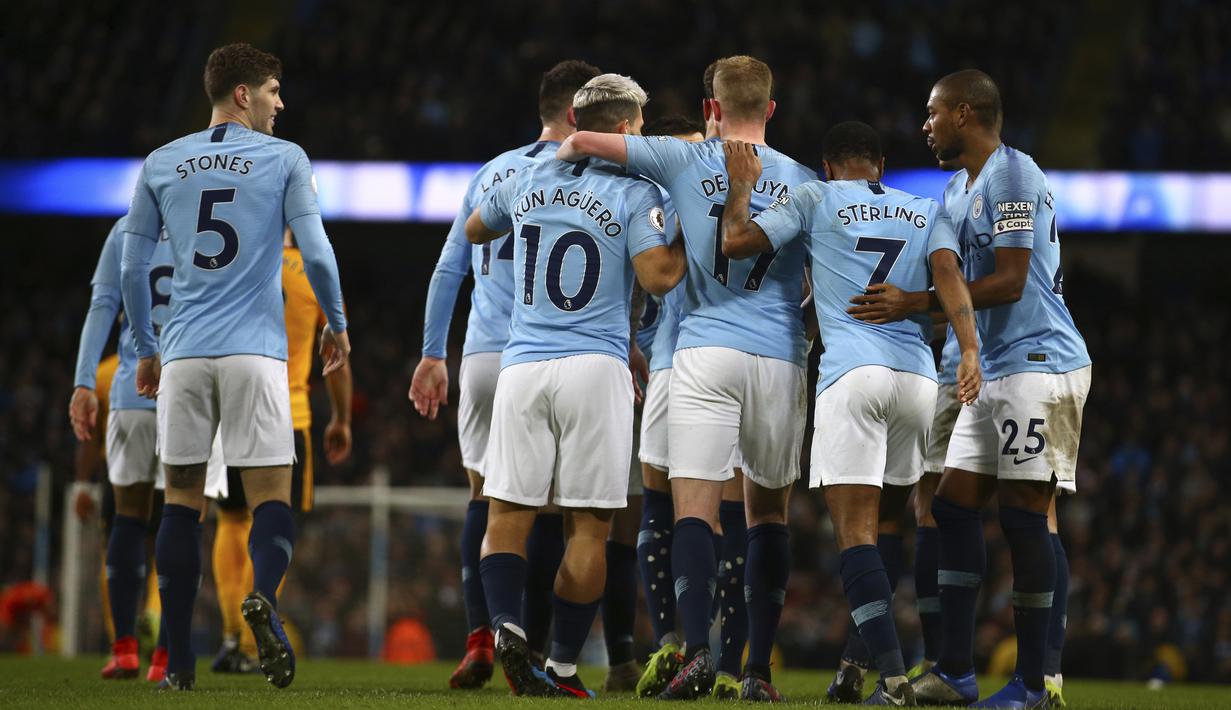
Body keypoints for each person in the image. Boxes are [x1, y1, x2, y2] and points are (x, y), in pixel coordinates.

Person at [557, 55, 814, 701]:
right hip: (780, 357)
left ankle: (693, 650)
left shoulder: (680, 159)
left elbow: (583, 140)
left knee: (692, 510)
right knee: (766, 515)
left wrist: (568, 149)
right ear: (771, 109)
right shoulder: (805, 182)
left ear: (710, 109)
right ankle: (754, 671)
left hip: (701, 352)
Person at [848, 69, 1091, 708]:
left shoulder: (1014, 176)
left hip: (1040, 363)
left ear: (963, 113)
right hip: (993, 367)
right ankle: (955, 672)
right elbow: (956, 292)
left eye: (932, 113)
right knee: (953, 506)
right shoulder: (958, 190)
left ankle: (1035, 683)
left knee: (1023, 516)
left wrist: (913, 303)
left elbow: (1010, 281)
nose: (925, 125)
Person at [721, 121, 981, 704]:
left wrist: (741, 188)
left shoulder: (815, 196)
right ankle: (854, 669)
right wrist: (968, 349)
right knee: (889, 526)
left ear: (829, 166)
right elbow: (949, 278)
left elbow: (736, 242)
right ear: (880, 166)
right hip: (917, 380)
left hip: (853, 376)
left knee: (855, 534)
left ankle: (893, 678)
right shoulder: (926, 209)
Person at [119, 42, 349, 691]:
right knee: (271, 497)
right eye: (274, 90)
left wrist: (145, 348)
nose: (282, 103)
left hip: (184, 354)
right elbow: (317, 253)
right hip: (255, 353)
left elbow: (134, 267)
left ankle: (178, 665)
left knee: (181, 504)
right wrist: (338, 325)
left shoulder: (161, 161)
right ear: (244, 94)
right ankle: (263, 599)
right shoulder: (285, 158)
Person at [466, 73, 686, 698]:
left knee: (506, 514)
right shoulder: (635, 192)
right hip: (594, 367)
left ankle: (507, 626)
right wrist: (693, 236)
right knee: (589, 528)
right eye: (640, 127)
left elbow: (476, 229)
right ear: (624, 130)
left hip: (523, 366)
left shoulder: (527, 178)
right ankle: (563, 666)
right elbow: (659, 276)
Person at [408, 59, 601, 689]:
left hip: (484, 357)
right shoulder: (592, 173)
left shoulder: (493, 172)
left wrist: (432, 354)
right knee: (547, 510)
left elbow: (449, 268)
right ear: (577, 114)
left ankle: (480, 639)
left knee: (484, 499)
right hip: (548, 352)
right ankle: (535, 647)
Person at [70, 221, 225, 683]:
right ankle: (167, 655)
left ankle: (123, 650)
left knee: (127, 519)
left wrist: (83, 382)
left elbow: (102, 305)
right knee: (185, 519)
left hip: (131, 391)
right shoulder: (207, 225)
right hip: (191, 389)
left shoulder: (125, 229)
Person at [209, 226, 353, 674]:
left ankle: (231, 635)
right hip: (289, 414)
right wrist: (341, 418)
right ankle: (254, 635)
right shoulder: (314, 271)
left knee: (231, 522)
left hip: (231, 407)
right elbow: (336, 355)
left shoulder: (236, 262)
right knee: (274, 520)